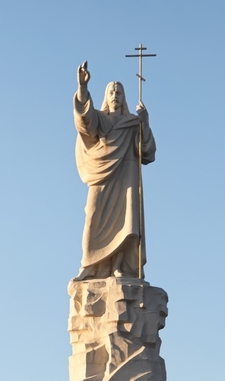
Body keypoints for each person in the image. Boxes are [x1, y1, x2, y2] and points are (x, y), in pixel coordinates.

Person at [73, 61, 156, 281]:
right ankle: (90, 265)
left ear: (124, 96)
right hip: (102, 177)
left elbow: (147, 152)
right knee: (93, 216)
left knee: (125, 221)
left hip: (125, 178)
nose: (115, 94)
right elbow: (85, 122)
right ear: (106, 95)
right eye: (112, 91)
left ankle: (120, 267)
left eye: (119, 91)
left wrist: (144, 123)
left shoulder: (132, 123)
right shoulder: (100, 119)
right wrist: (82, 88)